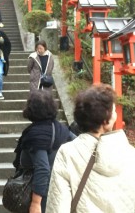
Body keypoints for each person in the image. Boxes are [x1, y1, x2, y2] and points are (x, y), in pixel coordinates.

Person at [46, 83, 135, 213]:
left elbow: (58, 206)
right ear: (107, 119)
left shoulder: (68, 153)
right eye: (114, 110)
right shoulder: (130, 155)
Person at [13, 90, 74, 213]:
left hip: (40, 193)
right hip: (61, 188)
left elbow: (43, 168)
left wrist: (36, 203)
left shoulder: (36, 135)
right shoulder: (61, 129)